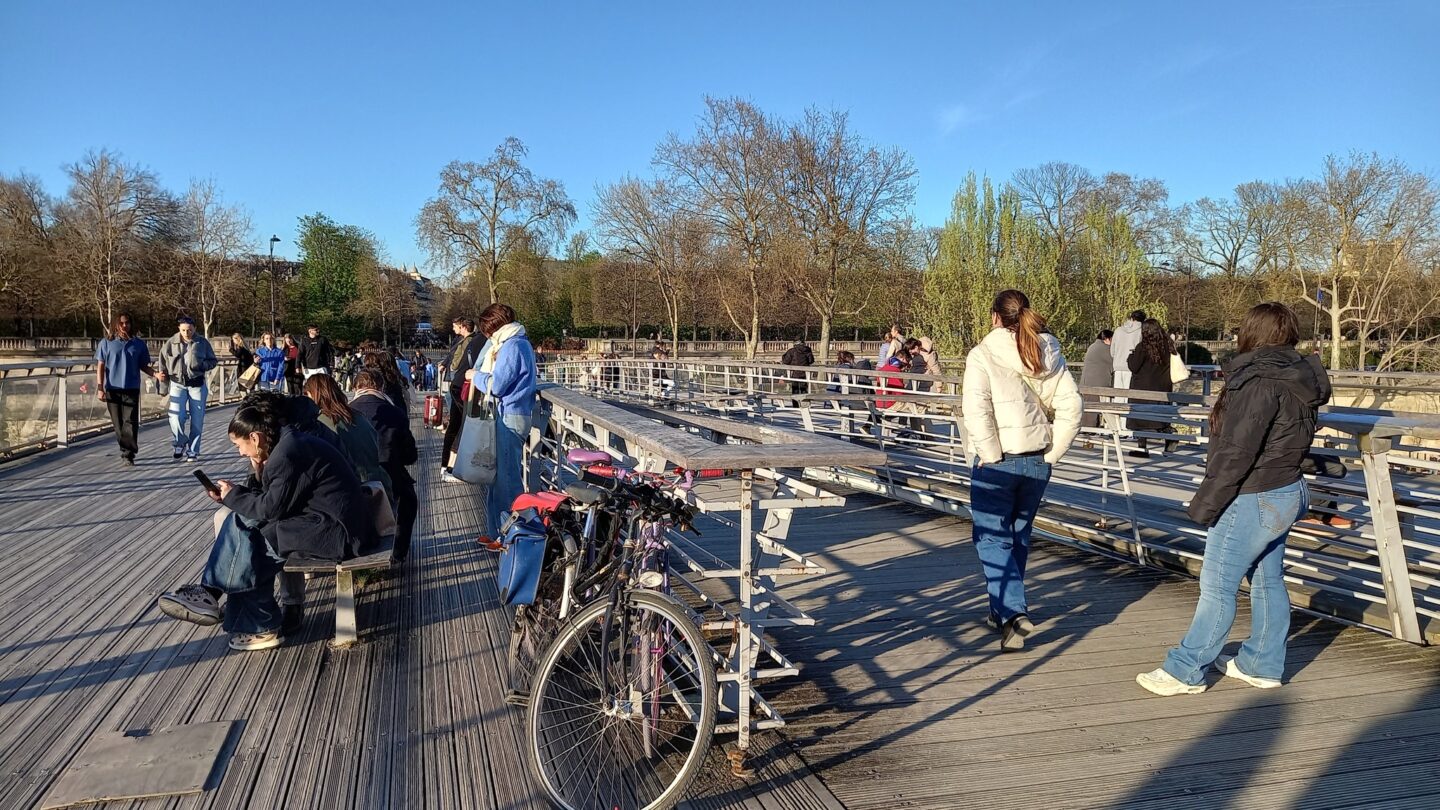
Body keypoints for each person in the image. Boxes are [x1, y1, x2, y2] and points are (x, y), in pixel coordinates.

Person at [1137, 302, 1329, 696]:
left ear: (1250, 333)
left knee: (1218, 583)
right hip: (1286, 488)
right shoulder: (1297, 377)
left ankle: (1186, 669)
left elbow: (1238, 451)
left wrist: (1205, 503)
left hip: (1254, 494)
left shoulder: (1258, 381)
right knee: (1266, 579)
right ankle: (1261, 662)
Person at [156, 393, 377, 651]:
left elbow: (270, 508)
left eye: (240, 445)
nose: (240, 453)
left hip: (337, 532)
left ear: (256, 437)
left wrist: (234, 495)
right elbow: (276, 500)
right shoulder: (288, 443)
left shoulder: (288, 452)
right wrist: (239, 489)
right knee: (245, 532)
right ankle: (228, 607)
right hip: (326, 521)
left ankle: (248, 619)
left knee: (249, 541)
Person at [962, 289, 1083, 652]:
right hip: (1035, 459)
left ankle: (1014, 612)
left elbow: (977, 410)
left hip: (998, 461)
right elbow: (1072, 408)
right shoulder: (1048, 351)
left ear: (995, 317)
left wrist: (989, 452)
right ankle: (999, 613)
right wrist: (1052, 454)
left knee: (990, 536)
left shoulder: (982, 354)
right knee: (1018, 535)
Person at [466, 303, 538, 549]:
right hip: (512, 413)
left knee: (507, 479)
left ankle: (512, 535)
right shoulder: (517, 342)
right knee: (498, 477)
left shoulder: (513, 346)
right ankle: (497, 531)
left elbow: (497, 386)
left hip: (511, 415)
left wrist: (474, 376)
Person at [352, 369, 420, 563]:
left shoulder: (347, 410)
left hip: (356, 475)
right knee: (409, 501)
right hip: (389, 473)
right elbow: (409, 456)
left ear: (356, 387)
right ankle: (398, 551)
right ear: (380, 387)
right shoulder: (395, 412)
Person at [303, 373, 391, 499]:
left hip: (351, 489)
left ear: (315, 395)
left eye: (307, 394)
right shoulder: (358, 416)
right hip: (379, 485)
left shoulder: (321, 423)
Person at [94, 312, 166, 465]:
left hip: (131, 387)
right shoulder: (106, 343)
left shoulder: (138, 344)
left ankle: (128, 454)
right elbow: (100, 366)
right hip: (112, 388)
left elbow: (143, 366)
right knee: (118, 423)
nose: (124, 326)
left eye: (127, 323)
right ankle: (125, 448)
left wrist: (156, 375)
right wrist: (100, 387)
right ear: (115, 325)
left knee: (130, 421)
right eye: (121, 323)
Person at [160, 316, 219, 462]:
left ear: (195, 329)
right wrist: (163, 386)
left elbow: (213, 361)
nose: (187, 333)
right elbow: (162, 363)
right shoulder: (171, 343)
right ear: (179, 329)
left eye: (190, 330)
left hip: (197, 384)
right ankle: (180, 442)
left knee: (197, 419)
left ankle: (193, 450)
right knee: (175, 416)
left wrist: (201, 366)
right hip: (177, 383)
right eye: (184, 330)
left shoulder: (202, 342)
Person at [1126, 319, 1179, 457]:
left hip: (1143, 386)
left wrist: (1130, 356)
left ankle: (1142, 447)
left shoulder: (1142, 347)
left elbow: (1134, 366)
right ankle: (1169, 435)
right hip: (1162, 386)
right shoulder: (1168, 346)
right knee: (1160, 414)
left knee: (1140, 417)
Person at [440, 317, 482, 483]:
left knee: (455, 426)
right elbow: (456, 362)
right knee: (463, 426)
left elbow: (455, 362)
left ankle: (447, 466)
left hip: (457, 384)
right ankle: (453, 467)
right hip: (464, 385)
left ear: (463, 327)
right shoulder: (476, 341)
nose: (452, 328)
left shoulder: (465, 341)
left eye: (454, 325)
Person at [1079, 330, 1115, 430]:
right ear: (1107, 339)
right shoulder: (1105, 349)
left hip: (1087, 382)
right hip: (1097, 383)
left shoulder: (1093, 346)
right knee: (1093, 408)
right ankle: (1091, 429)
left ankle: (1087, 429)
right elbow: (1115, 362)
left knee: (1088, 408)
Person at [1110, 310, 1145, 389]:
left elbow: (1112, 352)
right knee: (1129, 395)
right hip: (1131, 367)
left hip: (1118, 366)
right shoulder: (1141, 332)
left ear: (1131, 318)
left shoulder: (1118, 330)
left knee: (1118, 395)